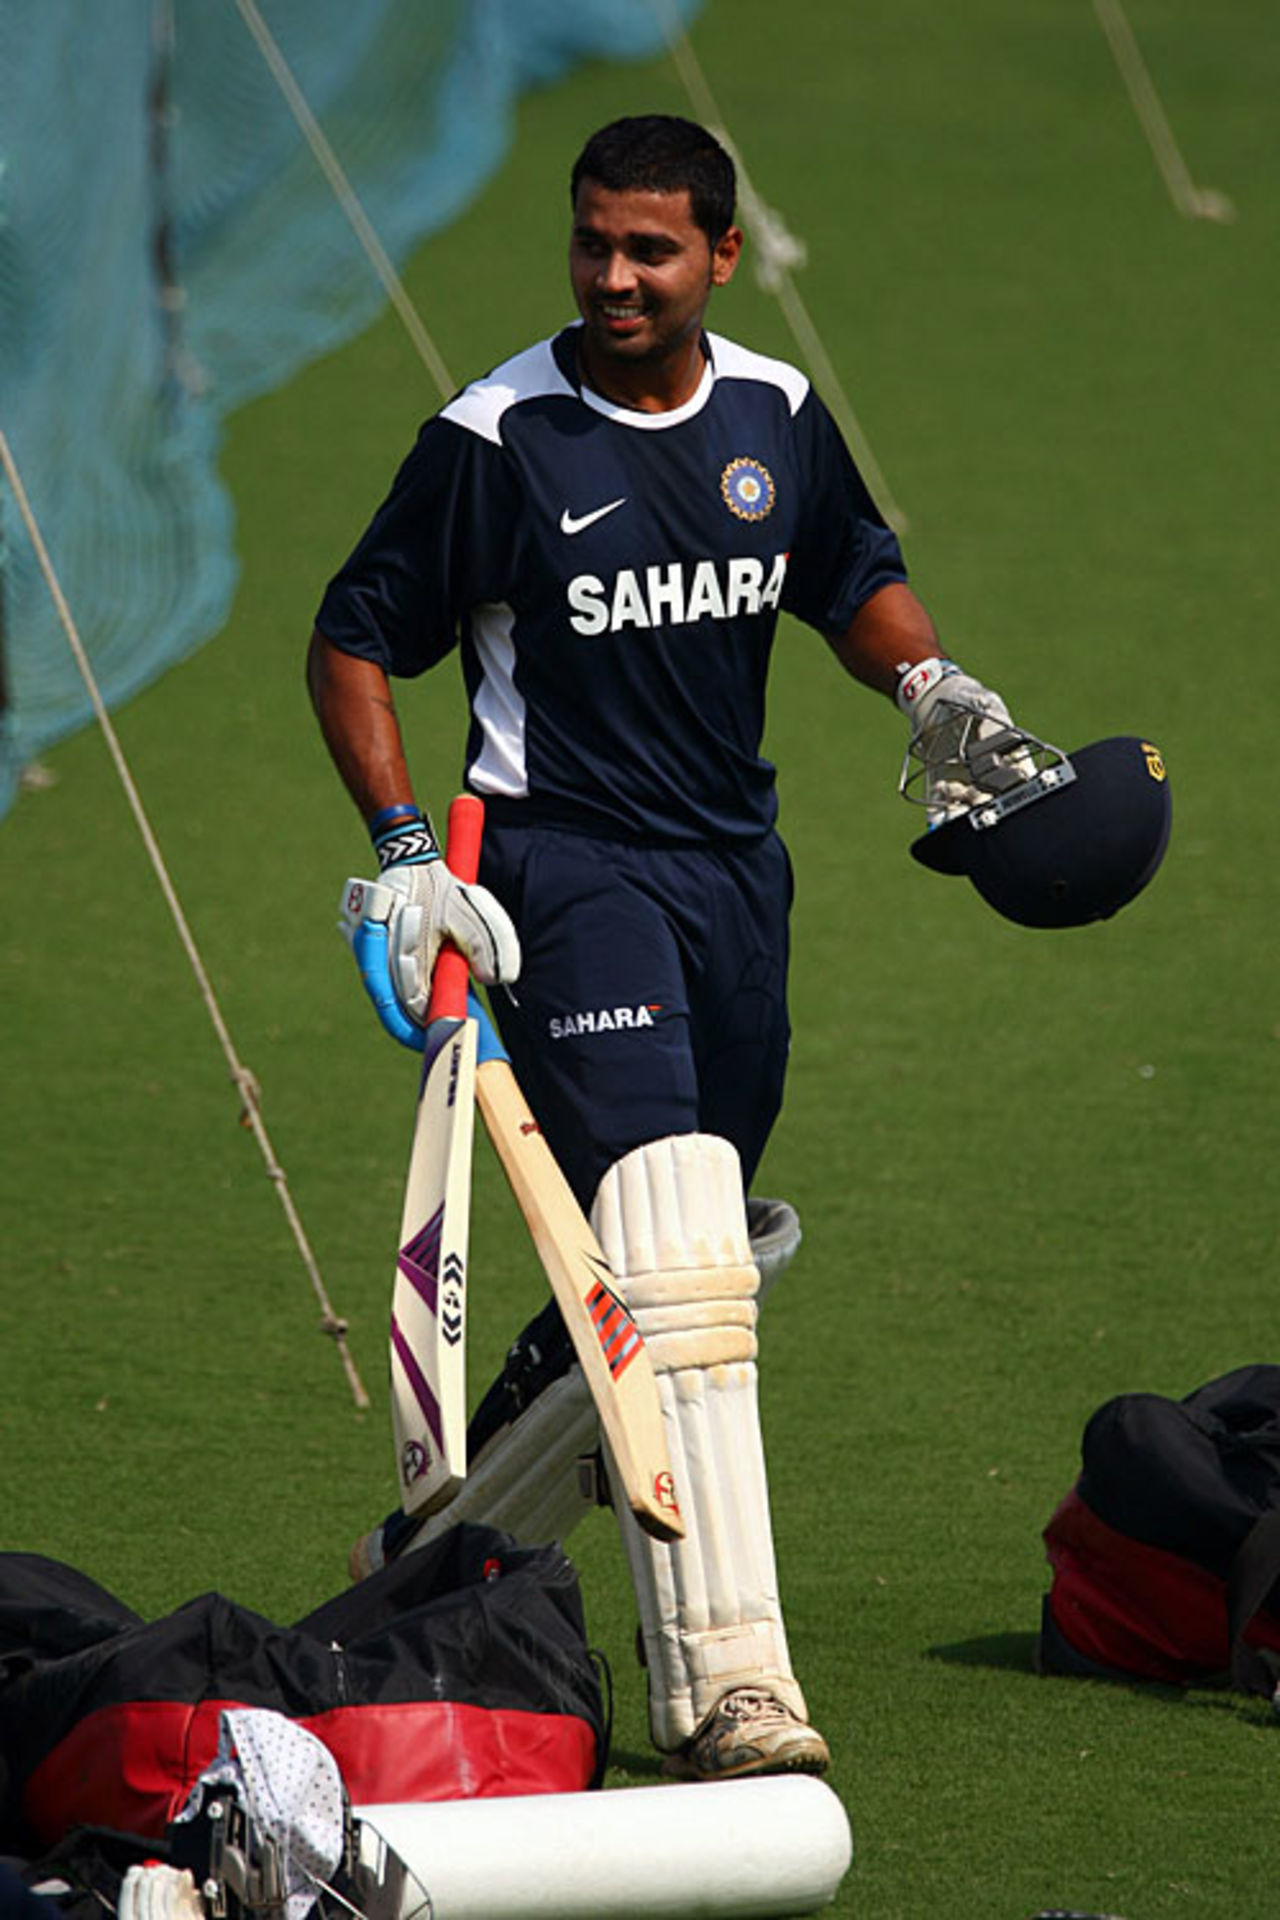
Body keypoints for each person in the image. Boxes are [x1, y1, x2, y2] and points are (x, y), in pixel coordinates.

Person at [307, 114, 1029, 1780]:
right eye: (591, 245)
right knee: (684, 1252)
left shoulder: (770, 412)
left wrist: (932, 689)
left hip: (732, 881)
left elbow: (849, 572)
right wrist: (409, 858)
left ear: (718, 254)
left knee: (648, 1267)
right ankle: (726, 1685)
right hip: (566, 878)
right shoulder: (499, 437)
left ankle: (431, 1557)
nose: (614, 277)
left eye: (649, 250)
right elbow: (355, 638)